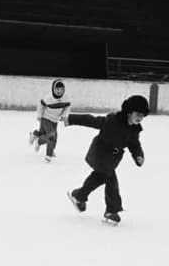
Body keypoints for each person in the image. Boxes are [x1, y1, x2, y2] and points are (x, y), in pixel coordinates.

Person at [66, 95, 149, 225]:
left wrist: (138, 155)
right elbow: (92, 120)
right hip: (99, 153)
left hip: (112, 159)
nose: (140, 118)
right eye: (137, 114)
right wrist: (71, 118)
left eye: (142, 115)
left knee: (99, 177)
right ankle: (112, 211)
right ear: (129, 112)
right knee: (110, 179)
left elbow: (134, 144)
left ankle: (79, 196)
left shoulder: (134, 129)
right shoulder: (113, 121)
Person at [29, 79, 71, 162]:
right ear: (53, 89)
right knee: (51, 135)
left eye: (61, 89)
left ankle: (37, 138)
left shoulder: (65, 98)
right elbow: (40, 105)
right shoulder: (48, 98)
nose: (59, 91)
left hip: (55, 120)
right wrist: (39, 115)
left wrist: (64, 115)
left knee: (54, 137)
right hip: (46, 118)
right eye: (57, 89)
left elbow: (67, 107)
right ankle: (48, 155)